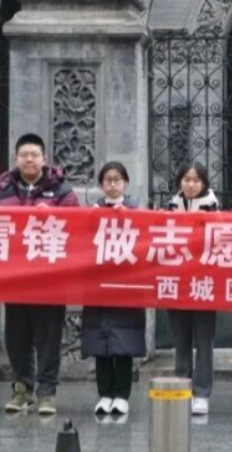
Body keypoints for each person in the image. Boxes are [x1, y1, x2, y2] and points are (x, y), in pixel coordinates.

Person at [0, 133, 80, 415]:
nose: (29, 159)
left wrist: (54, 216)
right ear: (16, 159)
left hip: (49, 281)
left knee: (48, 340)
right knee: (17, 338)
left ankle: (47, 392)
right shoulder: (1, 190)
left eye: (34, 155)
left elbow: (78, 228)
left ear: (44, 159)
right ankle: (22, 389)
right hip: (13, 279)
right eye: (24, 155)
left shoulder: (62, 192)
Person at [85, 161, 147, 418]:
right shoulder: (92, 212)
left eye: (117, 180)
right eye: (108, 180)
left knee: (124, 343)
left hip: (125, 286)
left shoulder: (136, 211)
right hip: (98, 286)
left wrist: (130, 216)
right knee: (101, 344)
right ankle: (104, 394)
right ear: (101, 184)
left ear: (126, 183)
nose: (112, 185)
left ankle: (121, 395)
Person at [164, 162, 220, 416]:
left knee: (204, 342)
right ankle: (182, 388)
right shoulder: (169, 207)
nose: (191, 184)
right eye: (186, 179)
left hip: (204, 285)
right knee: (181, 342)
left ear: (204, 183)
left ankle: (202, 393)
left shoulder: (214, 208)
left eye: (196, 180)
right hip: (176, 284)